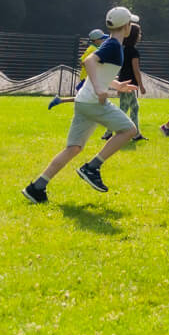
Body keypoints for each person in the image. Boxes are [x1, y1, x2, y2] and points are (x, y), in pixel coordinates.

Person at [20, 18, 143, 203]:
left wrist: (117, 85)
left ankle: (36, 188)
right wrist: (100, 89)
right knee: (130, 130)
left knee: (73, 148)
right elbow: (90, 61)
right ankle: (92, 167)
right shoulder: (113, 45)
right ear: (126, 27)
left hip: (83, 102)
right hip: (93, 103)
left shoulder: (112, 44)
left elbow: (101, 70)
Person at [49, 29, 106, 111]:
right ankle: (61, 101)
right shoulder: (93, 50)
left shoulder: (92, 48)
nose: (103, 40)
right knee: (87, 98)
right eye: (102, 38)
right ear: (96, 40)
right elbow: (83, 62)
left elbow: (82, 61)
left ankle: (60, 100)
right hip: (88, 78)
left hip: (88, 77)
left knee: (87, 98)